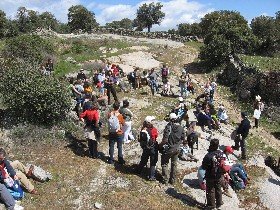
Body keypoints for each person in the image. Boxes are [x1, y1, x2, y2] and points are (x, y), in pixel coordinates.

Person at [159, 113, 185, 184]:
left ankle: (165, 180)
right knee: (174, 164)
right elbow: (183, 138)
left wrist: (160, 146)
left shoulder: (168, 127)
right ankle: (173, 180)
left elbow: (165, 140)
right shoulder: (181, 127)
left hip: (169, 149)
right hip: (177, 149)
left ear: (170, 119)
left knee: (164, 163)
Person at [201, 139, 224, 210]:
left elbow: (203, 167)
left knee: (211, 190)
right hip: (219, 174)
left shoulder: (208, 156)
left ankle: (211, 205)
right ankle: (219, 202)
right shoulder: (220, 153)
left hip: (210, 175)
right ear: (217, 145)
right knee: (218, 188)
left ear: (211, 145)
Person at [136, 116, 159, 181]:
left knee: (143, 160)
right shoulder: (154, 130)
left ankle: (138, 170)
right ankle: (151, 176)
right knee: (153, 162)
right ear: (149, 122)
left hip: (146, 147)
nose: (153, 122)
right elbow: (156, 136)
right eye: (152, 121)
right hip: (153, 147)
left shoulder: (143, 129)